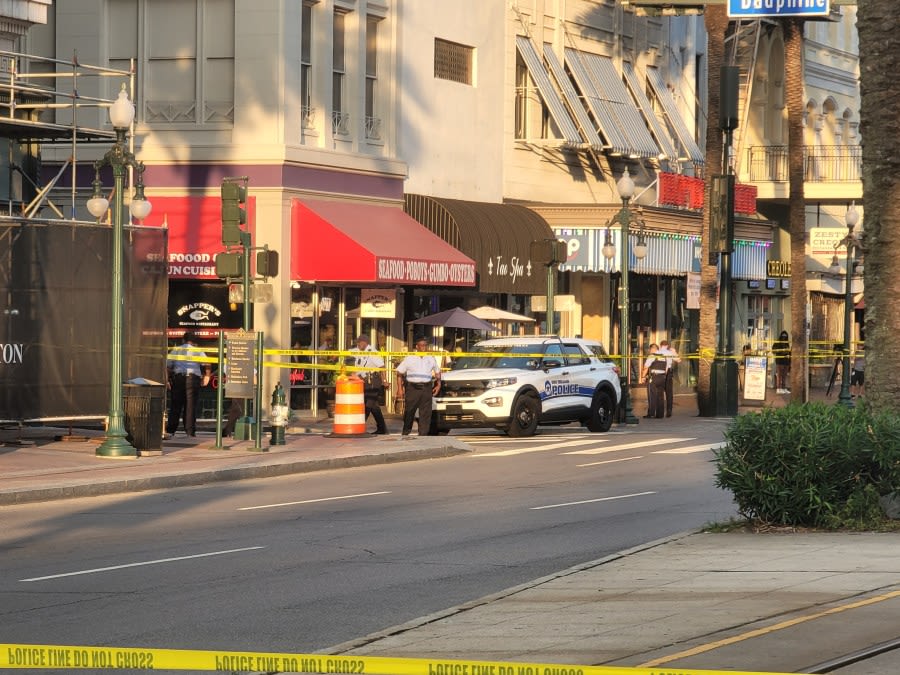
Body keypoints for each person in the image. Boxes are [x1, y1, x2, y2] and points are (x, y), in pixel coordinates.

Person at [395, 335, 441, 436]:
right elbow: (399, 373)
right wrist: (399, 389)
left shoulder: (431, 358)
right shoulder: (409, 358)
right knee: (409, 411)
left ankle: (423, 434)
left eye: (425, 345)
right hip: (413, 388)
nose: (424, 347)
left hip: (426, 388)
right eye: (421, 345)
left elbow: (437, 372)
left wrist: (438, 385)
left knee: (425, 413)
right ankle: (406, 431)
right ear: (417, 346)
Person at [348, 334, 388, 434]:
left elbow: (382, 367)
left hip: (373, 380)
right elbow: (349, 362)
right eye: (358, 342)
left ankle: (359, 428)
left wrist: (384, 380)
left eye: (361, 342)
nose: (359, 344)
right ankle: (382, 429)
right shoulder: (354, 351)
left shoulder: (373, 352)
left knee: (368, 404)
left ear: (366, 342)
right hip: (361, 381)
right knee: (374, 406)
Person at [166, 331, 202, 437]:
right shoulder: (198, 350)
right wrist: (207, 375)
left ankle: (171, 429)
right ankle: (190, 431)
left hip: (178, 379)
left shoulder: (176, 350)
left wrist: (167, 380)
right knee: (190, 406)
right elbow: (207, 362)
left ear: (183, 340)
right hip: (193, 379)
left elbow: (168, 366)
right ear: (193, 341)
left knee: (176, 405)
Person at [641, 343, 667, 419]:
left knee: (651, 395)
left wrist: (643, 377)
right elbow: (666, 368)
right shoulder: (664, 356)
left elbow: (646, 367)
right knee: (660, 396)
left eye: (650, 349)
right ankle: (660, 414)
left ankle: (651, 413)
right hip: (662, 377)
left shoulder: (651, 356)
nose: (649, 351)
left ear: (652, 349)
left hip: (654, 377)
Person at [658, 339, 681, 417]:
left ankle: (660, 411)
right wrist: (674, 352)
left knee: (659, 392)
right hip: (668, 374)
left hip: (659, 373)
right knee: (669, 393)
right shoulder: (670, 352)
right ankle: (669, 411)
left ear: (660, 345)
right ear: (667, 346)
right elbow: (678, 360)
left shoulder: (657, 352)